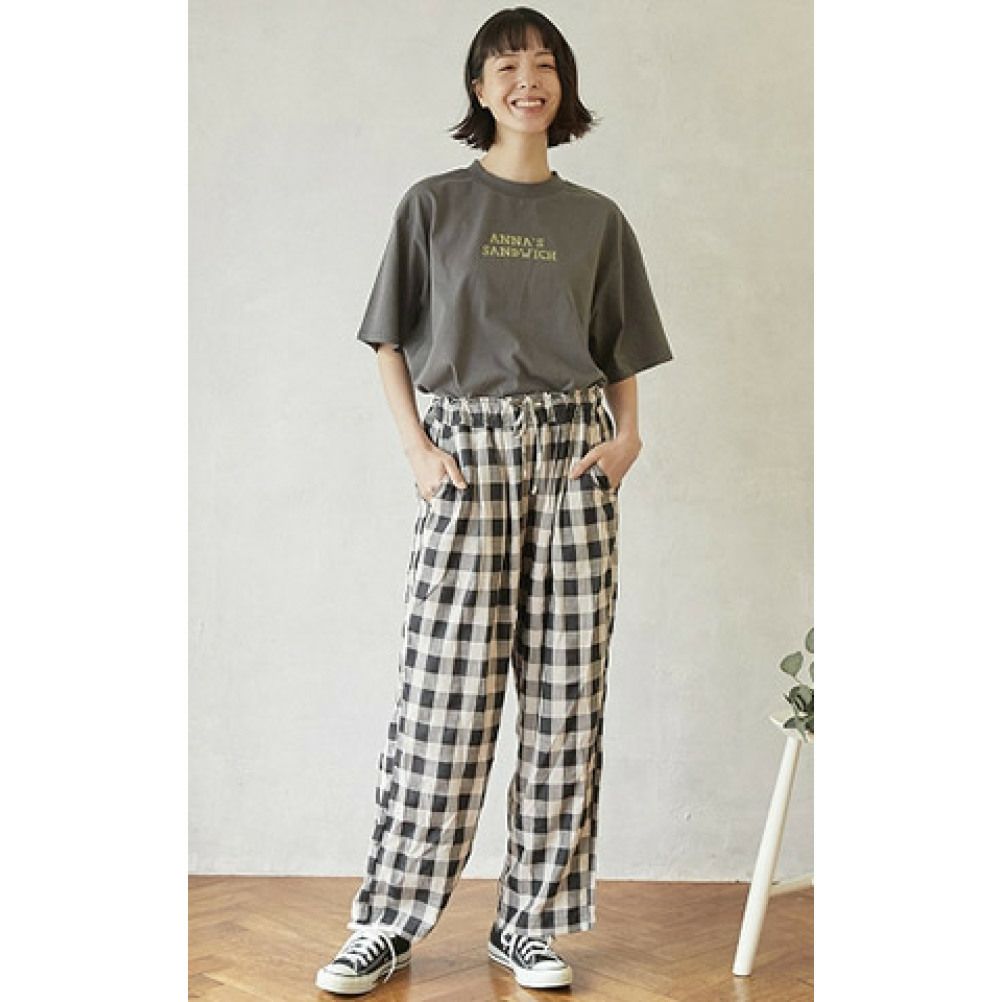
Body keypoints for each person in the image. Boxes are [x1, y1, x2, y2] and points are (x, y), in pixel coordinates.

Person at [316, 6, 674, 995]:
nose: (529, 78)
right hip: (465, 459)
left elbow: (622, 344)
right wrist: (418, 451)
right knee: (444, 701)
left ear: (565, 86)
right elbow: (390, 338)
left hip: (570, 459)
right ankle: (387, 920)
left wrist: (628, 437)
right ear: (479, 88)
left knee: (565, 701)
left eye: (546, 63)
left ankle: (531, 925)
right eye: (508, 64)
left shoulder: (597, 219)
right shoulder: (433, 205)